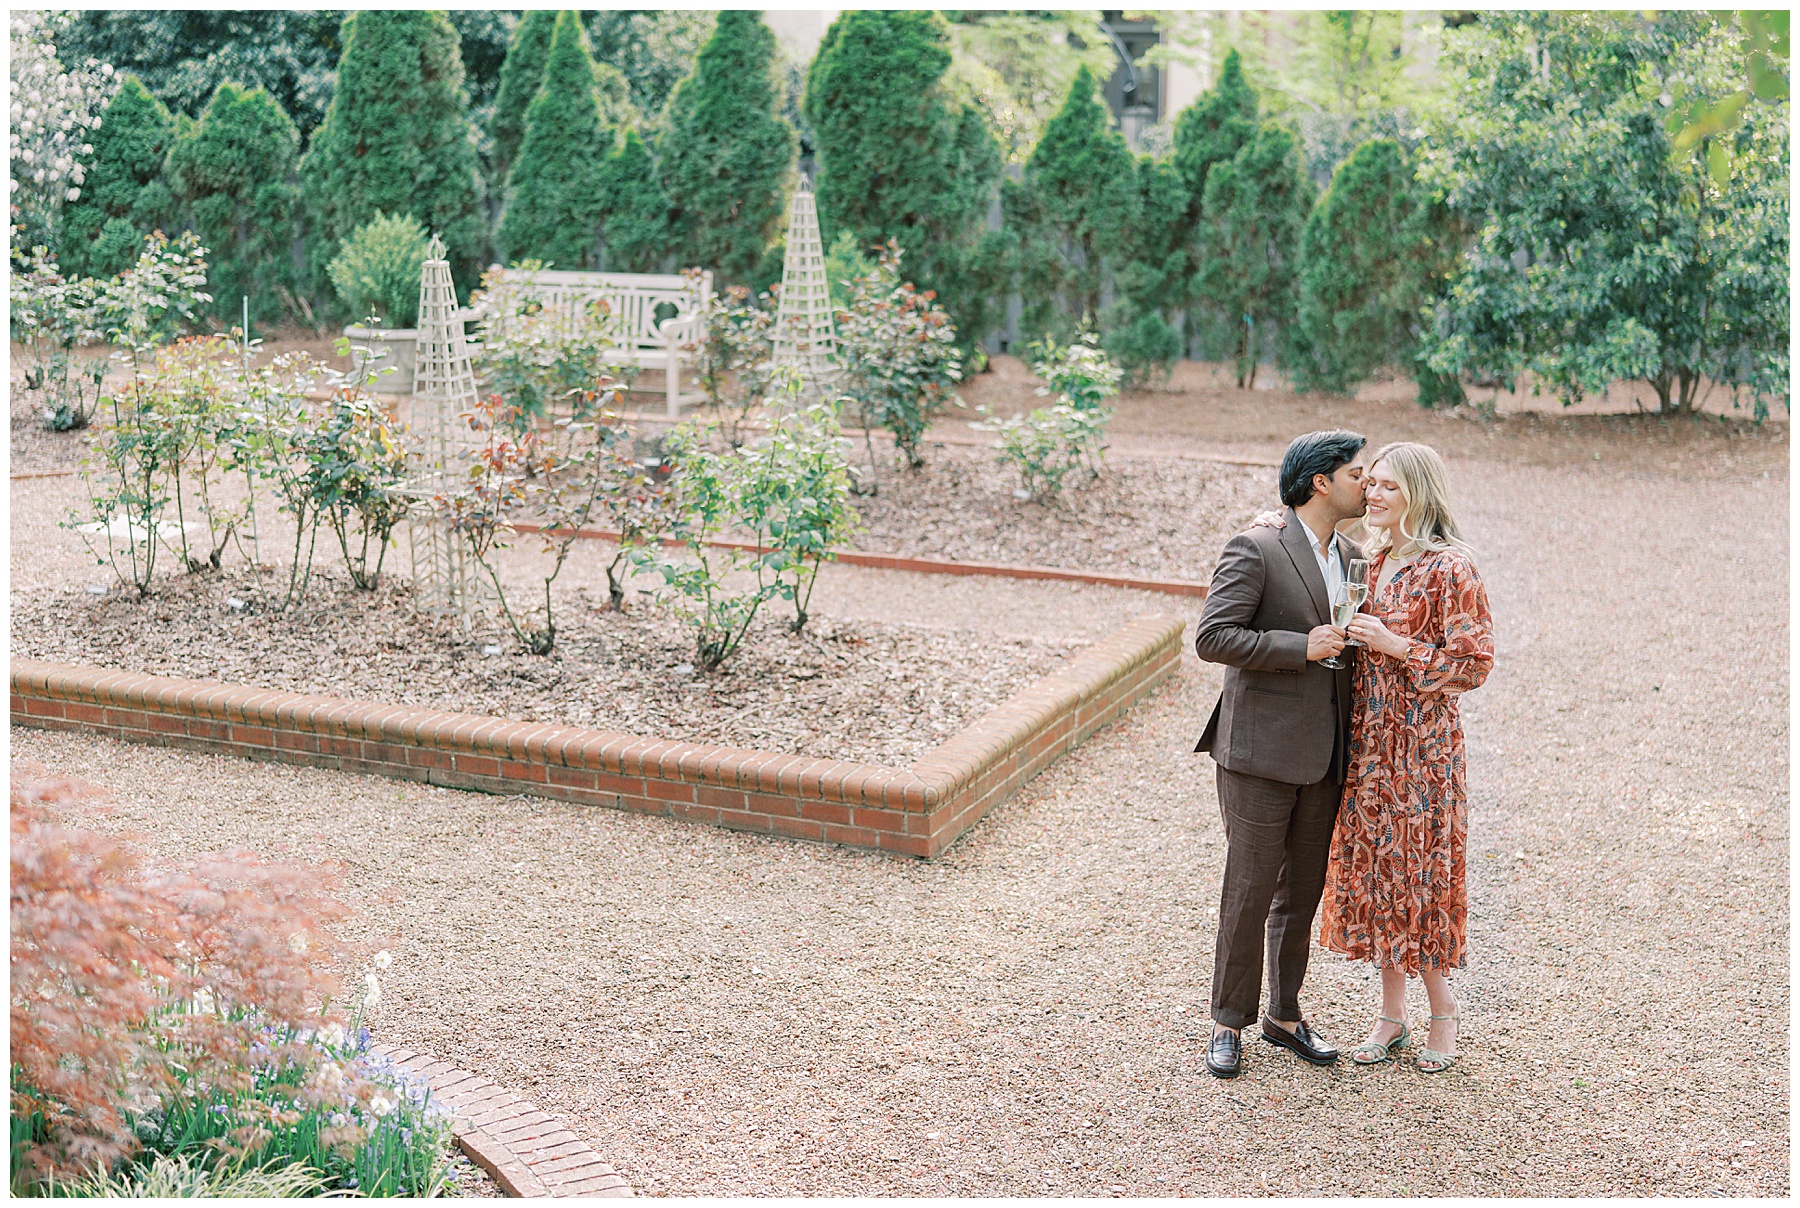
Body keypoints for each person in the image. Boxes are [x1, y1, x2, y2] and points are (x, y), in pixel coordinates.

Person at [1192, 430, 1368, 1079]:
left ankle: (1284, 1016)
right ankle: (1226, 1022)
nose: (1367, 485)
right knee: (1249, 890)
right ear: (1321, 481)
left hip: (1326, 754)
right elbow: (1214, 636)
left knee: (1303, 893)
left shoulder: (1354, 558)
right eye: (1357, 473)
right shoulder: (1257, 546)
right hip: (1258, 753)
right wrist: (1300, 647)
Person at [1320, 441, 1494, 1073]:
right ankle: (1391, 1017)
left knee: (1422, 877)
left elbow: (1474, 665)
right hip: (1370, 742)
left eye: (1389, 486)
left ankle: (1442, 1013)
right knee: (1381, 874)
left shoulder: (1451, 568)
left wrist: (1395, 645)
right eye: (1371, 484)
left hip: (1423, 749)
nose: (1372, 494)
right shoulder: (1374, 557)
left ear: (1419, 492)